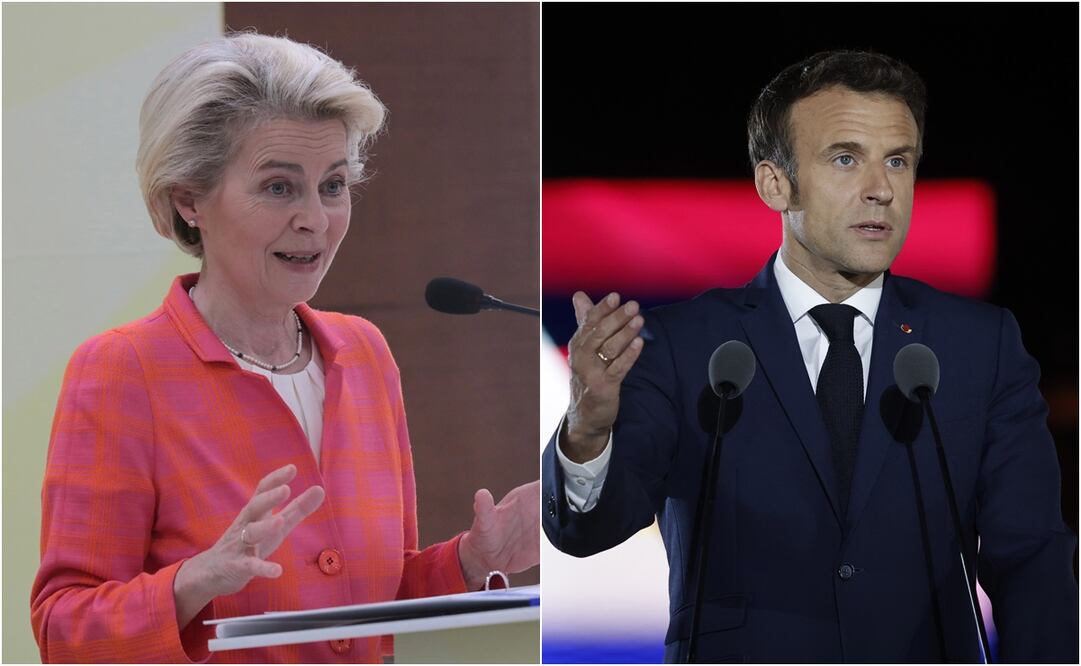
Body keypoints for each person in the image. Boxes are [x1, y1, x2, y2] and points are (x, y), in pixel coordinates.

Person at [542, 50, 1077, 662]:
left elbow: (1031, 555)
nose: (881, 190)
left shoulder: (980, 345)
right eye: (846, 159)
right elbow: (588, 530)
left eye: (898, 162)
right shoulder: (685, 346)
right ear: (775, 184)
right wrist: (586, 429)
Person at [32, 33, 539, 663]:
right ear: (190, 198)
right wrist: (194, 581)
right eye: (278, 187)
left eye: (332, 185)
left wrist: (469, 561)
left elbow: (372, 606)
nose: (315, 219)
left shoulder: (365, 353)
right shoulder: (121, 372)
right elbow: (63, 632)